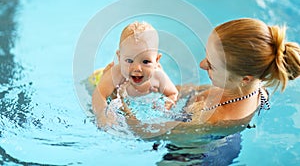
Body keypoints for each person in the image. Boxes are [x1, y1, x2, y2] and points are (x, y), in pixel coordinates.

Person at [119, 18, 300, 139]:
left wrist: (121, 101)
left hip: (193, 157)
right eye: (207, 55)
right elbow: (195, 91)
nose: (202, 64)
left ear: (245, 78)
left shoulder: (216, 119)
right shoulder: (252, 80)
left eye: (211, 65)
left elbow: (146, 132)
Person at [92, 21, 178, 127]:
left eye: (145, 62)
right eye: (129, 60)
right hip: (98, 78)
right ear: (119, 57)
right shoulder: (117, 74)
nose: (137, 68)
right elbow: (99, 94)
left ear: (156, 60)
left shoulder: (157, 76)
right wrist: (102, 115)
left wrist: (165, 107)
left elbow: (173, 93)